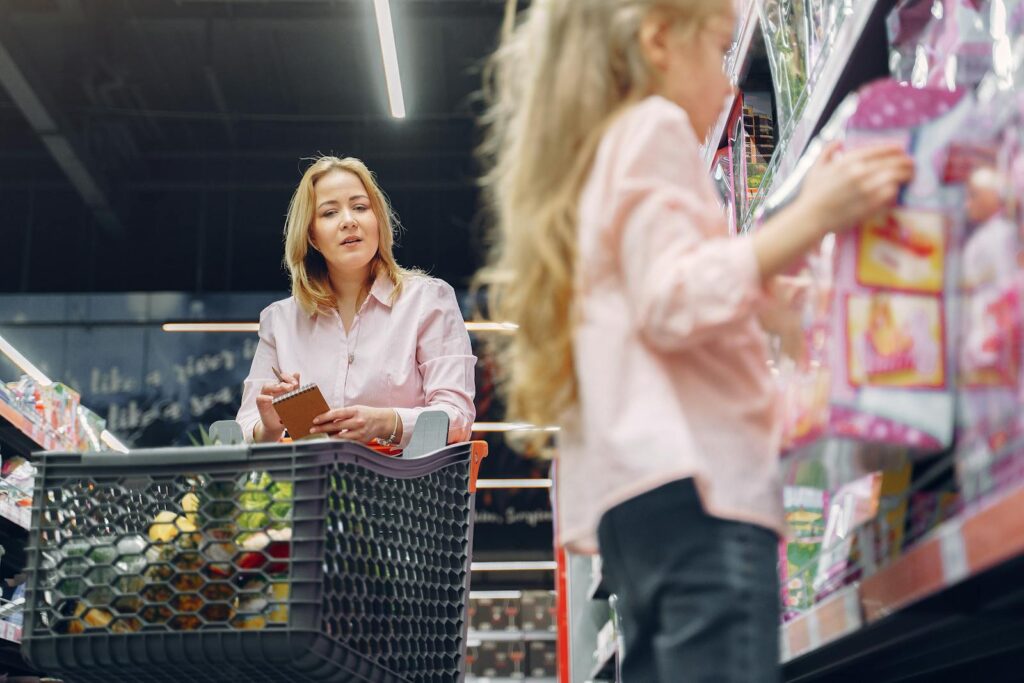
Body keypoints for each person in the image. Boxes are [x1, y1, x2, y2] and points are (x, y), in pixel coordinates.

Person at [478, 1, 914, 680]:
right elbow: (672, 299)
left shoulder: (594, 163)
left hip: (635, 505)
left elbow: (650, 306)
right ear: (657, 41)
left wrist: (768, 304)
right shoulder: (652, 128)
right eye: (717, 49)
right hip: (699, 491)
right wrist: (810, 220)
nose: (729, 84)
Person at [237, 156, 476, 448]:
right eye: (329, 213)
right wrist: (270, 427)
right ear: (312, 235)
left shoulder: (428, 301)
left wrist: (386, 422)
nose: (349, 221)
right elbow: (242, 432)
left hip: (409, 488)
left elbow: (458, 418)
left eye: (360, 207)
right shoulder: (280, 322)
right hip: (313, 489)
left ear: (377, 220)